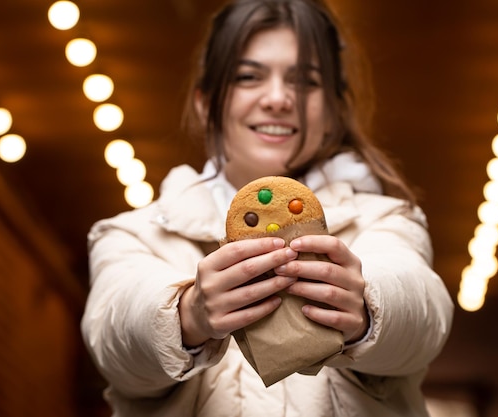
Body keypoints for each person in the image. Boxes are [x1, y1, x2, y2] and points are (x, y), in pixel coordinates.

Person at [81, 0, 454, 415]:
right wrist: (186, 314)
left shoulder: (384, 221)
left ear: (332, 111)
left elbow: (423, 316)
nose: (278, 98)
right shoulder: (133, 234)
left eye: (305, 82)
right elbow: (113, 341)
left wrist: (367, 307)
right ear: (206, 103)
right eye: (248, 76)